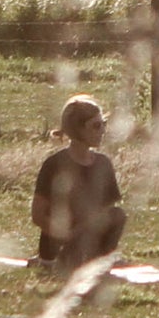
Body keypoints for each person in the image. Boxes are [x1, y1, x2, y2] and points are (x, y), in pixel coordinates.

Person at [31, 95, 127, 270]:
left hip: (87, 238)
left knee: (117, 214)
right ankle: (63, 259)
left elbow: (106, 213)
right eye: (96, 126)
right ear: (77, 129)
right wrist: (66, 235)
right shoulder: (54, 164)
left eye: (103, 124)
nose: (102, 131)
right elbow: (38, 215)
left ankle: (96, 259)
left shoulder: (103, 163)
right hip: (60, 241)